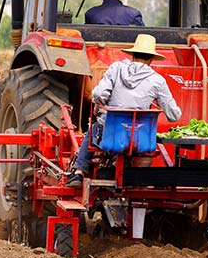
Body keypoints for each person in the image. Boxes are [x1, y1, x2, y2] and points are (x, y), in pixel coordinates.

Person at [67, 34, 181, 187]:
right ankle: (119, 169)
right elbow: (174, 116)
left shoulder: (116, 68)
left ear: (133, 55)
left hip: (111, 135)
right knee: (129, 134)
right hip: (140, 140)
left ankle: (78, 172)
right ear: (151, 59)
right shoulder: (157, 81)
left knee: (94, 127)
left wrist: (99, 105)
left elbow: (99, 94)